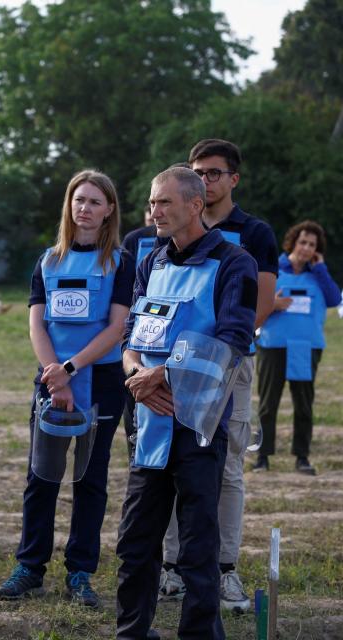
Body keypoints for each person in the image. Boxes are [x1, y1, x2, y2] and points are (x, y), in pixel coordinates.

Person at [116, 166, 256, 640]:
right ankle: (132, 631)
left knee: (198, 544)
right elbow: (131, 336)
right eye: (152, 203)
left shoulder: (235, 262)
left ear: (195, 206)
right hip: (148, 420)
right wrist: (138, 376)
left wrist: (165, 374)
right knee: (135, 540)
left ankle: (200, 633)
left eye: (164, 203)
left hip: (198, 421)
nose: (154, 212)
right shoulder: (150, 261)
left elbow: (234, 338)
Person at [0, 170, 133, 608]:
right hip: (51, 382)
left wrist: (71, 368)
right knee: (41, 477)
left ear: (109, 209)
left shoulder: (121, 261)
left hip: (102, 382)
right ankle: (30, 567)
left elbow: (117, 327)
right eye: (79, 200)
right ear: (68, 206)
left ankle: (80, 572)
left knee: (90, 480)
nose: (85, 208)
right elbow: (36, 321)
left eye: (95, 201)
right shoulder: (48, 260)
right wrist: (54, 373)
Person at [159, 139, 279, 613]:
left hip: (230, 364)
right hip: (168, 368)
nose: (205, 180)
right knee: (166, 461)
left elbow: (261, 305)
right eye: (197, 172)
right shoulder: (169, 227)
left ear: (234, 179)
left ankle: (224, 568)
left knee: (227, 466)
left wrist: (211, 355)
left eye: (213, 173)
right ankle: (171, 569)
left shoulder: (254, 232)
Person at [255, 220, 341, 475]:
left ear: (317, 250)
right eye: (302, 242)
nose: (305, 248)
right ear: (293, 242)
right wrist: (273, 304)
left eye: (312, 245)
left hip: (306, 346)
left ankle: (302, 457)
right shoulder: (273, 269)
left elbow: (335, 300)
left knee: (304, 404)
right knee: (268, 404)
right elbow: (254, 303)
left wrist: (321, 268)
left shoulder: (318, 274)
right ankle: (263, 456)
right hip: (273, 345)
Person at [120, 207, 165, 461]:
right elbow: (129, 299)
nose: (158, 211)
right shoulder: (136, 242)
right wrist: (134, 367)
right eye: (155, 203)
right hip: (137, 345)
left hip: (177, 360)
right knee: (136, 430)